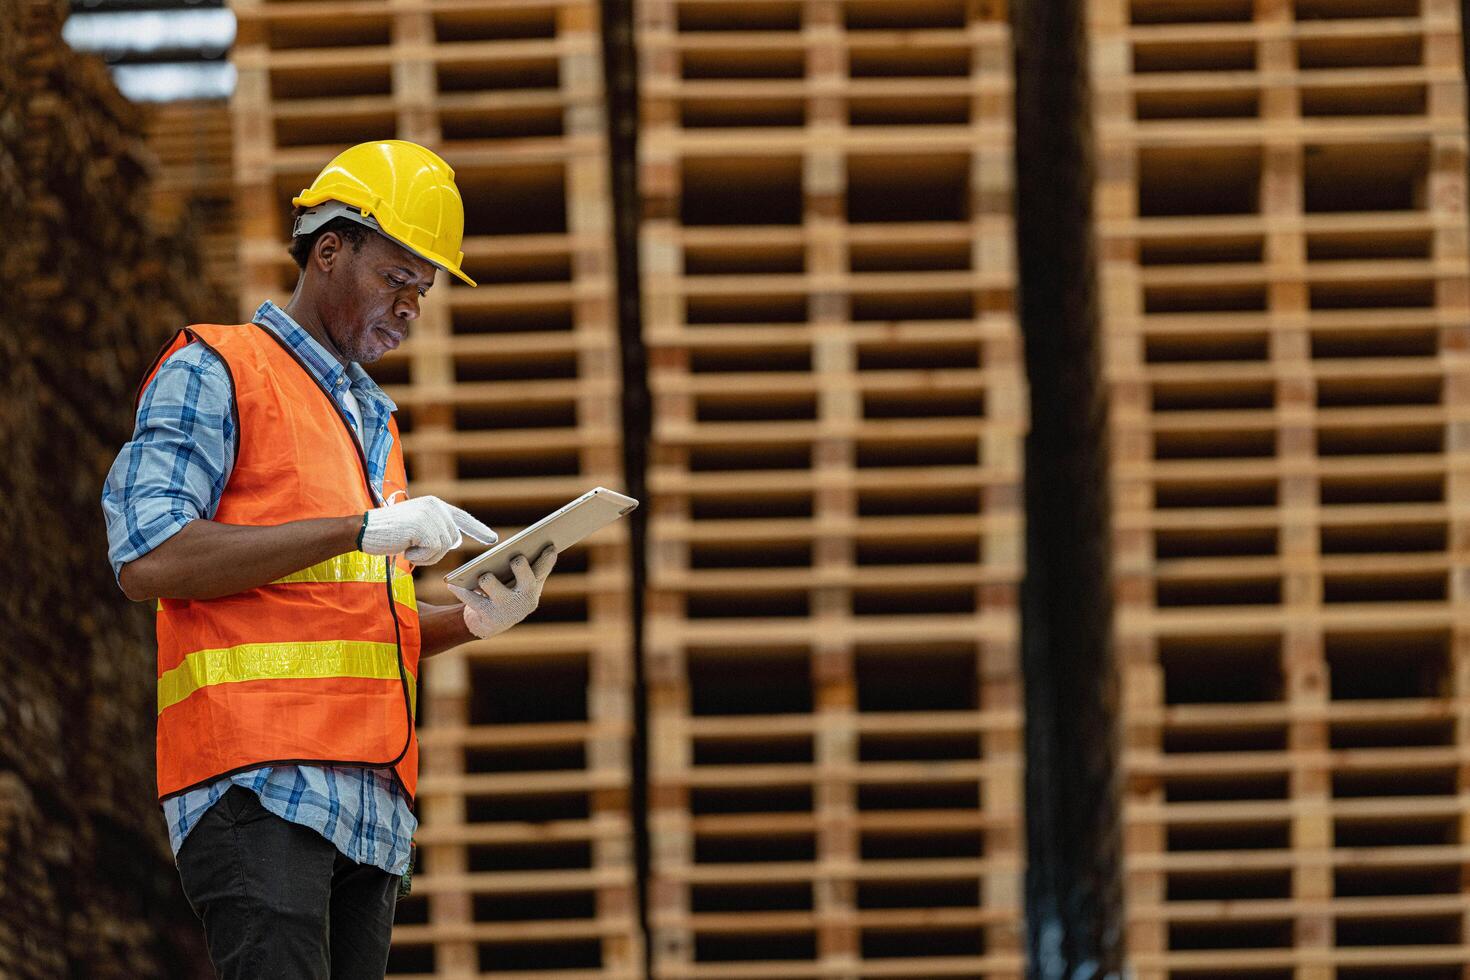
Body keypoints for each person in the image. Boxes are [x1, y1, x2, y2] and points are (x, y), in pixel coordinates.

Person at [101, 139, 555, 979]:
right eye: (396, 279)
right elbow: (150, 555)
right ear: (329, 249)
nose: (411, 307)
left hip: (369, 809)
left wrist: (470, 621)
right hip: (260, 790)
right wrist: (356, 530)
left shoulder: (370, 420)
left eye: (423, 291)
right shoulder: (217, 369)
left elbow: (345, 621)